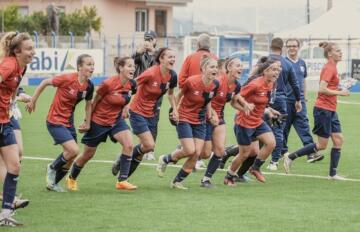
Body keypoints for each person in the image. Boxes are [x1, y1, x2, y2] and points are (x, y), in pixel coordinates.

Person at [66, 57, 137, 191]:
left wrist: (126, 108)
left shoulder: (132, 84)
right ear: (120, 68)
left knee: (129, 145)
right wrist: (87, 121)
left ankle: (122, 181)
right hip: (99, 122)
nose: (132, 68)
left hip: (116, 121)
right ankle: (71, 177)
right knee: (88, 155)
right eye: (129, 66)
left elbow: (130, 95)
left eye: (133, 66)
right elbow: (93, 102)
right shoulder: (108, 84)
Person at [26, 54, 94, 192]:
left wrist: (87, 122)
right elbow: (45, 82)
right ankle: (51, 167)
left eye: (93, 65)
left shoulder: (89, 86)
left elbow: (88, 105)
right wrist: (33, 99)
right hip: (54, 120)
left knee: (71, 156)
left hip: (68, 122)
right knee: (73, 150)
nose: (92, 67)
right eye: (88, 64)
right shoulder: (67, 78)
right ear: (79, 67)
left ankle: (53, 184)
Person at [284, 42, 350, 180]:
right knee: (322, 145)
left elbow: (328, 87)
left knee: (338, 140)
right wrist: (340, 92)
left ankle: (332, 174)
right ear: (330, 54)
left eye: (340, 50)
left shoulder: (333, 67)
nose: (341, 53)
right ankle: (290, 157)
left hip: (331, 109)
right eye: (338, 51)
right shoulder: (329, 68)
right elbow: (321, 89)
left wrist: (339, 90)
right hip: (323, 110)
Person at [112, 48, 177, 179]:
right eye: (170, 57)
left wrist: (175, 109)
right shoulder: (151, 73)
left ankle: (123, 179)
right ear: (161, 59)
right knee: (149, 145)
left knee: (144, 149)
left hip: (151, 114)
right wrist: (125, 105)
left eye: (174, 57)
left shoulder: (173, 75)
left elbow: (170, 94)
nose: (173, 59)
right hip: (137, 112)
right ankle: (121, 160)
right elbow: (131, 85)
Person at [156, 55, 220, 190]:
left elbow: (208, 100)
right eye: (212, 67)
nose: (215, 69)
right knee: (190, 150)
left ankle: (177, 181)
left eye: (216, 67)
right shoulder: (191, 82)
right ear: (203, 69)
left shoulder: (215, 84)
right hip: (184, 117)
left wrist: (211, 115)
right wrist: (175, 111)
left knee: (196, 153)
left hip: (200, 120)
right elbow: (177, 96)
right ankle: (166, 159)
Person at [224, 58, 281, 185]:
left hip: (257, 121)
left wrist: (270, 110)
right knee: (244, 154)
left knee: (271, 143)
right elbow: (234, 100)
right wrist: (244, 108)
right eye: (274, 69)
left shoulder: (270, 84)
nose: (276, 72)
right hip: (244, 123)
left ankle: (255, 168)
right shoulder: (255, 84)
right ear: (265, 71)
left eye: (278, 70)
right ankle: (229, 176)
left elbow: (260, 102)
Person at [198, 57, 253, 188]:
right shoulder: (217, 82)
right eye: (238, 66)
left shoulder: (237, 85)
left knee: (219, 151)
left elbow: (234, 102)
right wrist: (212, 113)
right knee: (205, 153)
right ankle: (183, 151)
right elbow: (206, 99)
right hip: (205, 117)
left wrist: (244, 108)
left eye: (242, 66)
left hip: (219, 119)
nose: (241, 68)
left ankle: (206, 180)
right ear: (229, 68)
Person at [0, 32, 35, 226]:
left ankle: (5, 215)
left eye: (33, 48)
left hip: (4, 121)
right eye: (29, 49)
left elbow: (11, 92)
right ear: (17, 51)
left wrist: (14, 101)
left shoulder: (22, 67)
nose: (33, 52)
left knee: (14, 166)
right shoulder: (9, 64)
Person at [279, 38, 324, 169]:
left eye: (294, 46)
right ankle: (283, 152)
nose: (292, 48)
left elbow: (303, 80)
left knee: (304, 126)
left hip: (300, 102)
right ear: (286, 48)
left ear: (298, 47)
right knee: (284, 128)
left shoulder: (302, 63)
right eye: (290, 46)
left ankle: (311, 153)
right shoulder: (283, 63)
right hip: (286, 101)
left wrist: (304, 96)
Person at [267, 37, 302, 171]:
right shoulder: (287, 64)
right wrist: (298, 100)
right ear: (282, 49)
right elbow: (295, 84)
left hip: (264, 99)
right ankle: (274, 161)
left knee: (257, 127)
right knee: (278, 129)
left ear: (271, 47)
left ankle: (254, 158)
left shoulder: (264, 61)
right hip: (280, 101)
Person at [0, 88, 31, 210]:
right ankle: (10, 198)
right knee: (3, 159)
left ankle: (8, 194)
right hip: (3, 111)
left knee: (19, 152)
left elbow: (14, 84)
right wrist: (17, 98)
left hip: (9, 112)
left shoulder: (17, 70)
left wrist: (20, 93)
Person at [132, 30, 157, 161]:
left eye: (150, 39)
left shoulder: (159, 55)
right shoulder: (140, 53)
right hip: (141, 93)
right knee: (140, 119)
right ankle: (143, 146)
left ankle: (150, 150)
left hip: (155, 93)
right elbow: (131, 63)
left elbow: (160, 66)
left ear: (155, 40)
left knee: (153, 121)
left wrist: (153, 51)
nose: (148, 42)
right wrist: (138, 52)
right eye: (146, 39)